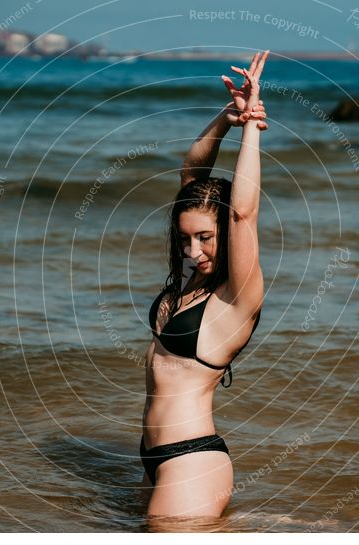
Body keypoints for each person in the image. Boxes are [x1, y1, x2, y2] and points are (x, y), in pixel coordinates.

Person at [140, 50, 270, 520]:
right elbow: (191, 177)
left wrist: (252, 127)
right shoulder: (190, 285)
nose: (194, 252)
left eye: (206, 239)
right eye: (185, 239)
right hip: (155, 460)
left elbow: (241, 212)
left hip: (191, 459)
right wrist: (226, 117)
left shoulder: (237, 295)